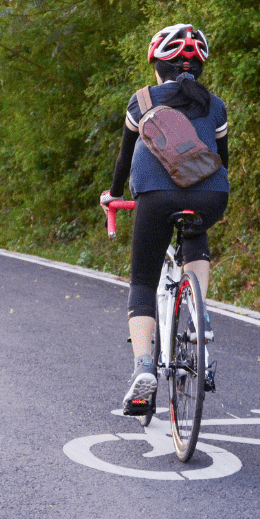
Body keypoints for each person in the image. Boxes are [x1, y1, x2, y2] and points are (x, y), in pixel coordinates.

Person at [99, 24, 230, 417]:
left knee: (142, 282)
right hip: (211, 194)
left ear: (157, 65)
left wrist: (115, 195)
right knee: (196, 229)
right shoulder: (217, 106)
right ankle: (200, 316)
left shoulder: (141, 101)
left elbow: (124, 159)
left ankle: (143, 367)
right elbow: (222, 158)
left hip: (155, 197)